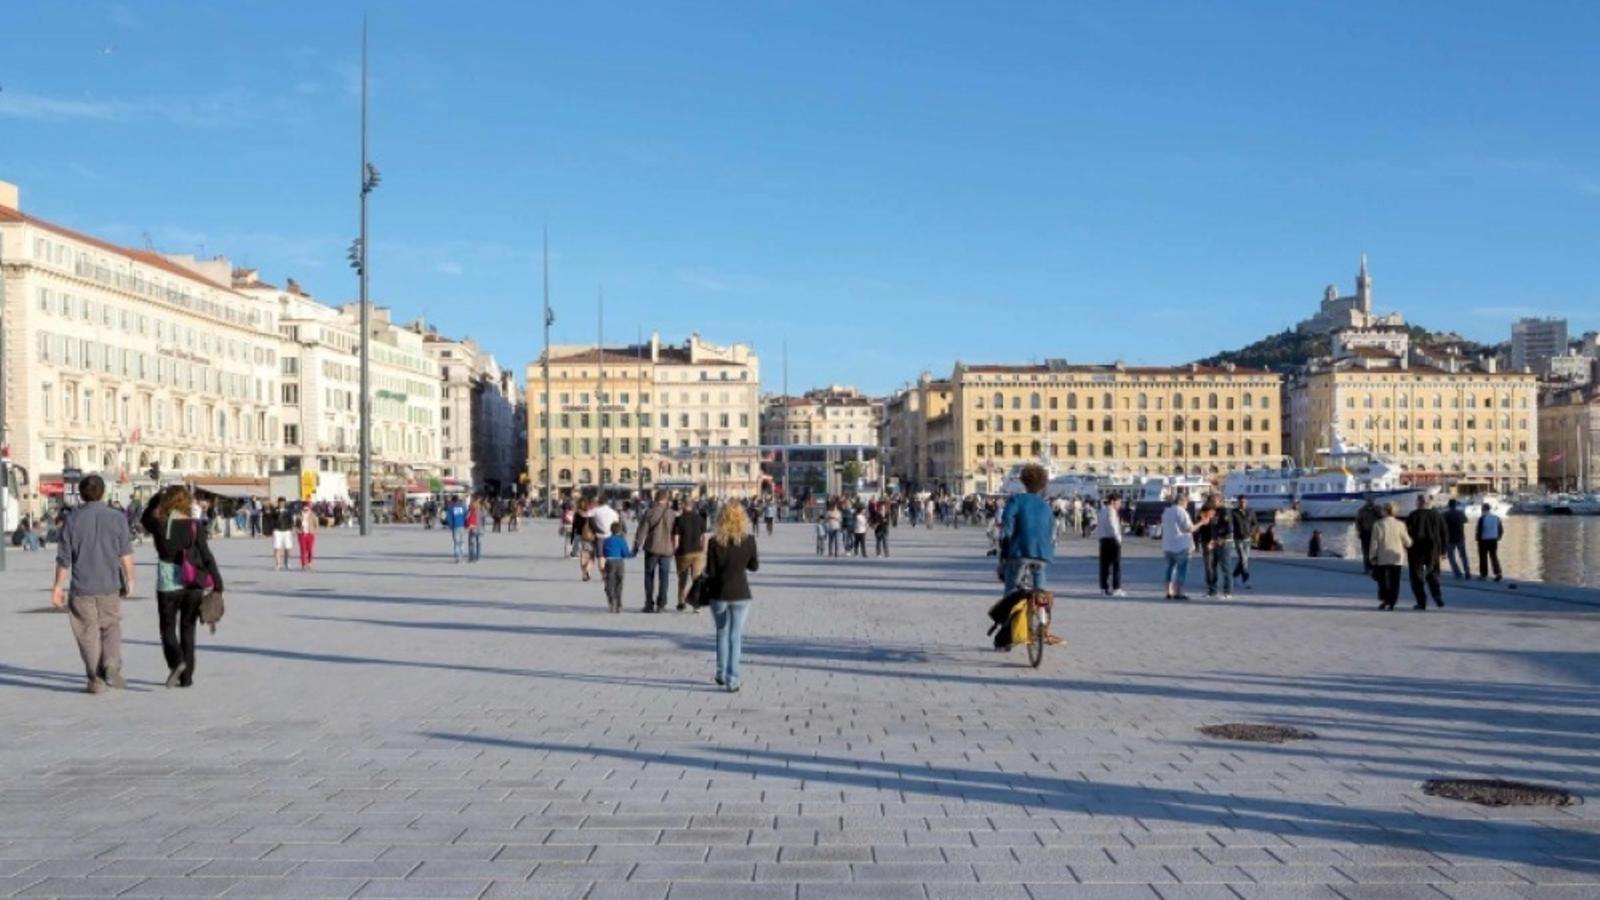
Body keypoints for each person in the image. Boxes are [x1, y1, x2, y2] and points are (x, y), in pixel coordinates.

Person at [49, 475, 135, 694]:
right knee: (111, 626)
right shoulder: (117, 518)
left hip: (82, 587)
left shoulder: (72, 520)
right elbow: (125, 554)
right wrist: (130, 579)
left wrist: (58, 587)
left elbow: (64, 559)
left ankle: (96, 681)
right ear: (103, 492)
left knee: (88, 633)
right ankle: (111, 663)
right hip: (110, 584)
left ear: (81, 493)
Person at [142, 486, 224, 688]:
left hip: (168, 581)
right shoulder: (195, 525)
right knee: (188, 629)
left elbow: (144, 518)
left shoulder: (159, 524)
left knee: (167, 629)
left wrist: (156, 498)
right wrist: (218, 583)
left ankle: (177, 662)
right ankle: (186, 678)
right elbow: (206, 554)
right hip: (193, 581)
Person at [705, 502, 760, 692]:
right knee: (735, 636)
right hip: (741, 593)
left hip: (719, 593)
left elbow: (710, 571)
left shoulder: (714, 542)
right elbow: (754, 566)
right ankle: (733, 679)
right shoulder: (749, 540)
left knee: (722, 632)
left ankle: (720, 673)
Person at [998, 464, 1054, 596]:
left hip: (1020, 551)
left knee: (1011, 589)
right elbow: (1052, 532)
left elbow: (1007, 524)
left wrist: (1004, 548)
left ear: (1024, 481)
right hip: (1043, 553)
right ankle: (1042, 613)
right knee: (1040, 589)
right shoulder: (1046, 506)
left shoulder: (1016, 500)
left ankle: (1012, 612)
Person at [634, 490, 676, 613]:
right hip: (667, 549)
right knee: (664, 578)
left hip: (652, 548)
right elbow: (676, 532)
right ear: (666, 499)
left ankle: (649, 603)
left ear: (655, 499)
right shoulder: (672, 514)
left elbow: (642, 531)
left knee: (649, 576)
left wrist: (637, 545)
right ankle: (661, 604)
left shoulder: (650, 512)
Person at [1405, 494, 1447, 610]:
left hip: (1416, 549)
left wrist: (1406, 547)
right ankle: (1437, 595)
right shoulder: (1437, 515)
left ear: (1419, 502)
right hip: (1433, 549)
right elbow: (1444, 533)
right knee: (1433, 573)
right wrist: (1443, 550)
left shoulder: (1413, 515)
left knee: (1416, 576)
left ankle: (1421, 601)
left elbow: (1406, 534)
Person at [1369, 503, 1412, 610]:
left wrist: (1372, 556)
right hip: (1396, 557)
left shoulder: (1378, 524)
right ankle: (1392, 601)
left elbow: (1374, 542)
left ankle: (1385, 600)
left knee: (1383, 581)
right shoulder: (1400, 524)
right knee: (1395, 581)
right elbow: (1408, 542)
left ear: (1384, 511)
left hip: (1382, 557)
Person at [673, 501, 709, 612]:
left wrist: (675, 549)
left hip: (683, 553)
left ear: (684, 507)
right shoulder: (700, 519)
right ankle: (696, 604)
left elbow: (676, 538)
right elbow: (705, 536)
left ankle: (681, 603)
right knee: (697, 579)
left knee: (682, 579)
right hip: (698, 553)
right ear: (693, 507)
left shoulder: (679, 520)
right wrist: (704, 550)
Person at [1160, 490, 1196, 600]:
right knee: (1182, 570)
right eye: (1186, 502)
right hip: (1181, 545)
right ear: (1182, 501)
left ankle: (1168, 591)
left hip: (1168, 545)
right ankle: (1178, 592)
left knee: (1169, 569)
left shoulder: (1166, 512)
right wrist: (1201, 523)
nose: (1187, 505)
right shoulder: (1181, 512)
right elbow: (1189, 528)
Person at [599, 521, 634, 614]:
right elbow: (626, 553)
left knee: (609, 581)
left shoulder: (607, 540)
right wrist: (632, 554)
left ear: (611, 530)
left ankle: (611, 600)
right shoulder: (621, 540)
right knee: (619, 582)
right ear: (620, 531)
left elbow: (604, 552)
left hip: (609, 561)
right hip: (619, 562)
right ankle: (618, 602)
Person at [1096, 493, 1125, 597]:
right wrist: (1118, 538)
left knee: (1104, 566)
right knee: (1116, 566)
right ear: (1113, 501)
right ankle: (1116, 588)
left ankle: (1104, 588)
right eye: (1118, 502)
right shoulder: (1111, 511)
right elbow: (1113, 526)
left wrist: (1099, 538)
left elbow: (1098, 526)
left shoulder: (1101, 511)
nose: (1119, 505)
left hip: (1103, 540)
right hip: (1112, 540)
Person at [1442, 498, 1471, 579]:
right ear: (1455, 505)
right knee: (1463, 556)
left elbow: (1441, 524)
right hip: (1460, 538)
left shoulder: (1445, 514)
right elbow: (1466, 520)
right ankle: (1467, 572)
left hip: (1450, 539)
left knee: (1451, 558)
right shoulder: (1460, 513)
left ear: (1448, 505)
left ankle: (1457, 573)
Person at [1229, 496, 1253, 589]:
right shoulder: (1233, 512)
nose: (1242, 503)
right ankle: (1246, 580)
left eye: (1244, 502)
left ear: (1246, 502)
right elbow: (1230, 524)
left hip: (1247, 539)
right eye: (1241, 502)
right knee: (1243, 559)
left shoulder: (1250, 511)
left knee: (1244, 560)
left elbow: (1254, 523)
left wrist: (1251, 531)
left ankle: (1233, 576)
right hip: (1238, 539)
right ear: (1238, 503)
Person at [1476, 504, 1504, 582]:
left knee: (1483, 558)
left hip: (1484, 540)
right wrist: (1498, 537)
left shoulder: (1482, 518)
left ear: (1484, 509)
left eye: (1482, 509)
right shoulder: (1496, 518)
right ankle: (1498, 573)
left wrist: (1478, 539)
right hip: (1494, 540)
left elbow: (1479, 530)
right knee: (1494, 557)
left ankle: (1483, 574)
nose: (1481, 511)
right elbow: (1501, 529)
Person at [1354, 497, 1380, 574]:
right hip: (1365, 533)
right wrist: (1359, 532)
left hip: (1376, 533)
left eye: (1371, 501)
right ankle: (1367, 568)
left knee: (1376, 551)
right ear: (1366, 502)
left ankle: (1376, 568)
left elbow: (1382, 518)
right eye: (1368, 501)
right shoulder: (1361, 511)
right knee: (1366, 552)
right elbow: (1358, 522)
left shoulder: (1377, 509)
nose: (1370, 502)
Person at [444, 495, 468, 564]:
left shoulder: (451, 508)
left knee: (456, 543)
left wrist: (451, 525)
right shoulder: (463, 507)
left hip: (455, 526)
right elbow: (466, 515)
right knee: (462, 542)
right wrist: (465, 524)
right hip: (462, 526)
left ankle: (458, 558)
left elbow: (449, 518)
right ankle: (462, 556)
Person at [296, 501, 318, 570]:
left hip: (310, 534)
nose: (305, 510)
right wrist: (298, 531)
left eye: (307, 508)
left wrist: (314, 531)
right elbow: (296, 525)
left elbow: (316, 524)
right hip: (302, 534)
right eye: (304, 508)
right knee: (303, 550)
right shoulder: (299, 515)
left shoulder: (312, 515)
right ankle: (303, 564)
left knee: (310, 549)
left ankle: (309, 562)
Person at [466, 498, 483, 563]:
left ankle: (471, 557)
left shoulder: (470, 512)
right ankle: (478, 557)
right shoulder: (481, 512)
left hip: (473, 529)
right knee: (479, 544)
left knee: (471, 544)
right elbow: (483, 520)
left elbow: (467, 520)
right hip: (480, 529)